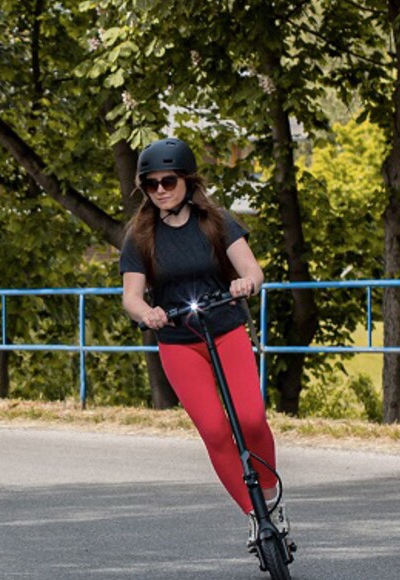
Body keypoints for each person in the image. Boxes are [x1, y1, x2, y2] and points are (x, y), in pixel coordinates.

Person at [119, 137, 290, 550]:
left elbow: (252, 267)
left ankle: (271, 500)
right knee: (214, 430)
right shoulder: (141, 236)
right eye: (152, 184)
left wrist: (246, 281)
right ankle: (255, 516)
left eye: (169, 181)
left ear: (187, 181)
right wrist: (147, 314)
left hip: (226, 327)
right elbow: (131, 296)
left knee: (250, 419)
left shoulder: (216, 221)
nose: (161, 190)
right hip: (179, 339)